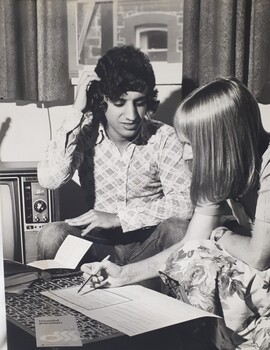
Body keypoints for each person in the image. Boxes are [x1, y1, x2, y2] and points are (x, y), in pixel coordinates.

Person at [81, 78, 270, 349]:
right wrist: (123, 274)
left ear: (221, 142)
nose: (186, 154)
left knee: (199, 260)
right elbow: (188, 244)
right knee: (191, 256)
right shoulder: (224, 167)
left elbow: (258, 255)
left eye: (192, 144)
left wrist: (221, 235)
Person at [37, 45, 193, 278]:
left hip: (148, 246)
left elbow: (185, 204)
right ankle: (64, 311)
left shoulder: (164, 137)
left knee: (179, 230)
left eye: (139, 102)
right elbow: (49, 179)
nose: (131, 115)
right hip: (98, 245)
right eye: (120, 103)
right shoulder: (86, 133)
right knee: (51, 234)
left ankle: (176, 312)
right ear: (102, 101)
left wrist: (121, 219)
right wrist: (77, 112)